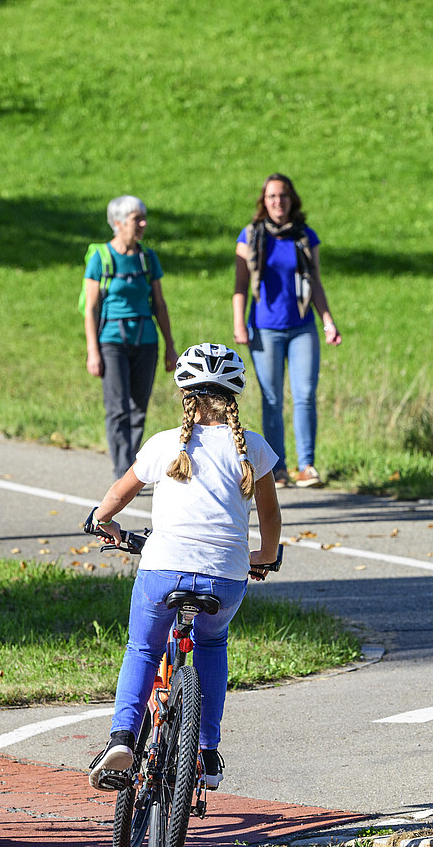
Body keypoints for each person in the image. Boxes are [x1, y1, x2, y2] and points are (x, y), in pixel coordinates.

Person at [85, 343, 282, 793]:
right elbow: (269, 518)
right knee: (212, 643)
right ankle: (207, 750)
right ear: (233, 396)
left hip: (162, 571)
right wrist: (265, 555)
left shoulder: (165, 443)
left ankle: (121, 739)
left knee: (143, 648)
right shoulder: (253, 447)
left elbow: (120, 491)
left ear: (185, 394)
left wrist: (103, 521)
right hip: (226, 577)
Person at [231, 173, 341, 488]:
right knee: (272, 399)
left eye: (283, 196)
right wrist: (239, 322)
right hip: (264, 328)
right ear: (264, 202)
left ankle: (307, 465)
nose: (278, 202)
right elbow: (240, 285)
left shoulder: (305, 237)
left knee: (305, 395)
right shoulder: (250, 236)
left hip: (302, 326)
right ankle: (276, 469)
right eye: (272, 197)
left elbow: (315, 283)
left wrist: (328, 321)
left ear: (292, 200)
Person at [86, 195, 179, 478]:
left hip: (146, 340)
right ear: (117, 223)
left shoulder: (148, 258)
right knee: (118, 408)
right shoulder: (100, 258)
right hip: (112, 341)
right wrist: (93, 350)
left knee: (139, 407)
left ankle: (130, 466)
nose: (143, 223)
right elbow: (91, 307)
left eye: (143, 218)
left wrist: (170, 347)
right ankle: (122, 469)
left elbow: (159, 304)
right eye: (136, 219)